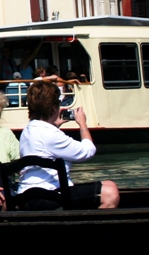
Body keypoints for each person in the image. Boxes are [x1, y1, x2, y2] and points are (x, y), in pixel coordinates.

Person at [16, 81, 119, 209]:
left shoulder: (28, 130)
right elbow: (88, 151)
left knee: (109, 185)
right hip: (49, 195)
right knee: (111, 193)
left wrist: (55, 125)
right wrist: (83, 124)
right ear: (53, 108)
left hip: (27, 194)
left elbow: (45, 144)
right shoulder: (50, 134)